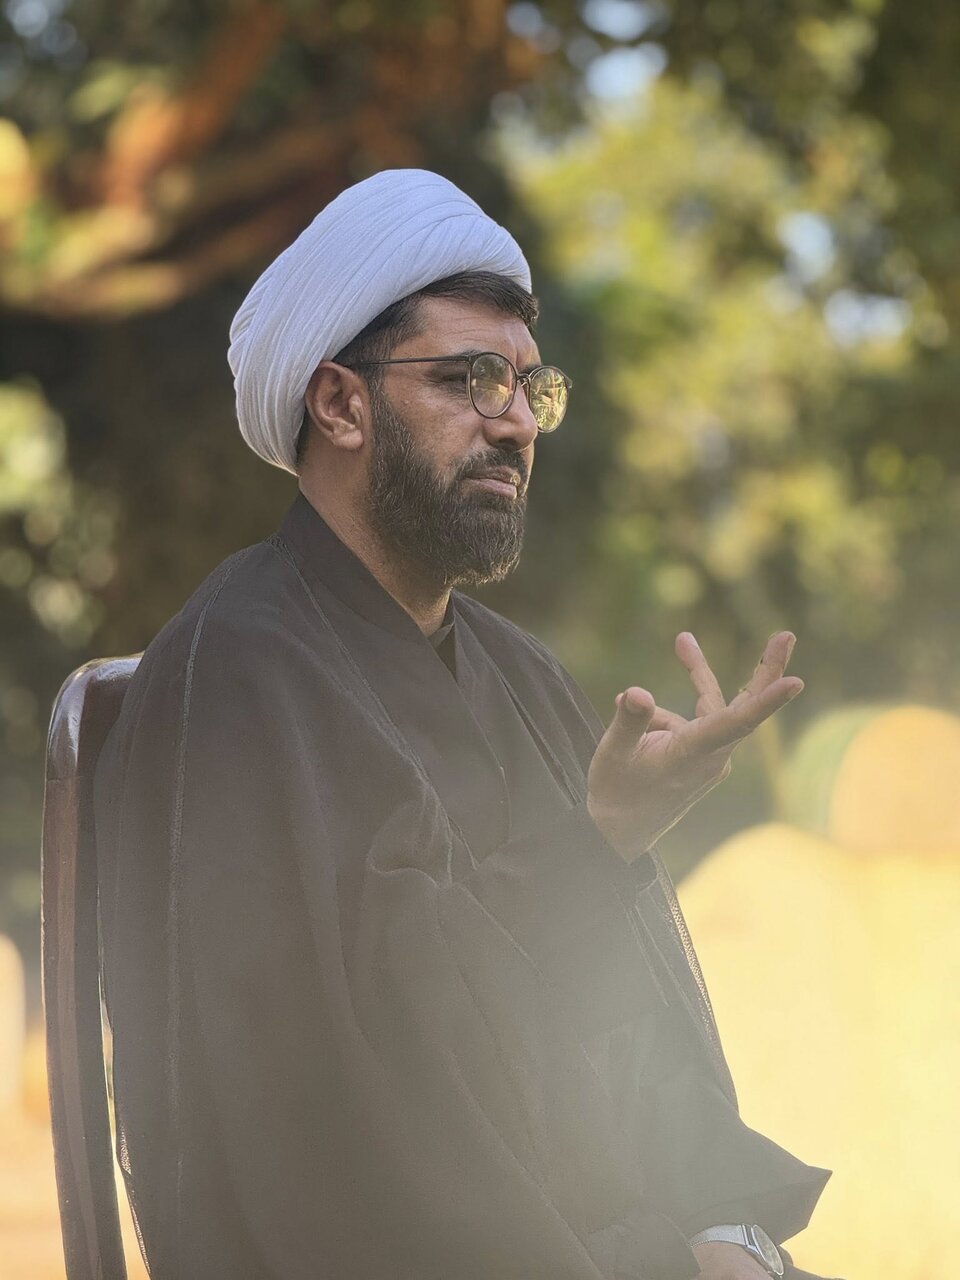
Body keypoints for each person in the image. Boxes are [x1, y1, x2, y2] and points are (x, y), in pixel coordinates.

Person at [94, 169, 840, 1280]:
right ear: (340, 404)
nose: (516, 422)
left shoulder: (520, 673)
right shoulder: (237, 674)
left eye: (531, 388)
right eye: (472, 379)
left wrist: (723, 1226)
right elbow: (334, 1109)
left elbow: (625, 1022)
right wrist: (597, 844)